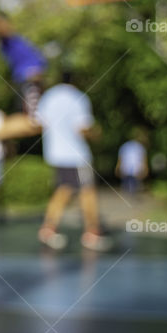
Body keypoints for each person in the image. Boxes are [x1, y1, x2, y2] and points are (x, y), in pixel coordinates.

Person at [34, 72, 108, 251]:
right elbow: (82, 128)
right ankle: (92, 232)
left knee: (64, 190)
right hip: (76, 155)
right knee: (87, 191)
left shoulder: (49, 97)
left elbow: (38, 123)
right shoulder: (78, 98)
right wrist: (96, 134)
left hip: (55, 153)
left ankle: (48, 229)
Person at [115, 129, 149, 195]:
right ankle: (131, 194)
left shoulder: (125, 146)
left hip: (128, 167)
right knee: (133, 183)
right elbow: (144, 158)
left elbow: (120, 158)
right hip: (134, 168)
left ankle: (130, 194)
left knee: (129, 183)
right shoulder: (140, 147)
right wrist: (145, 168)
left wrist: (118, 167)